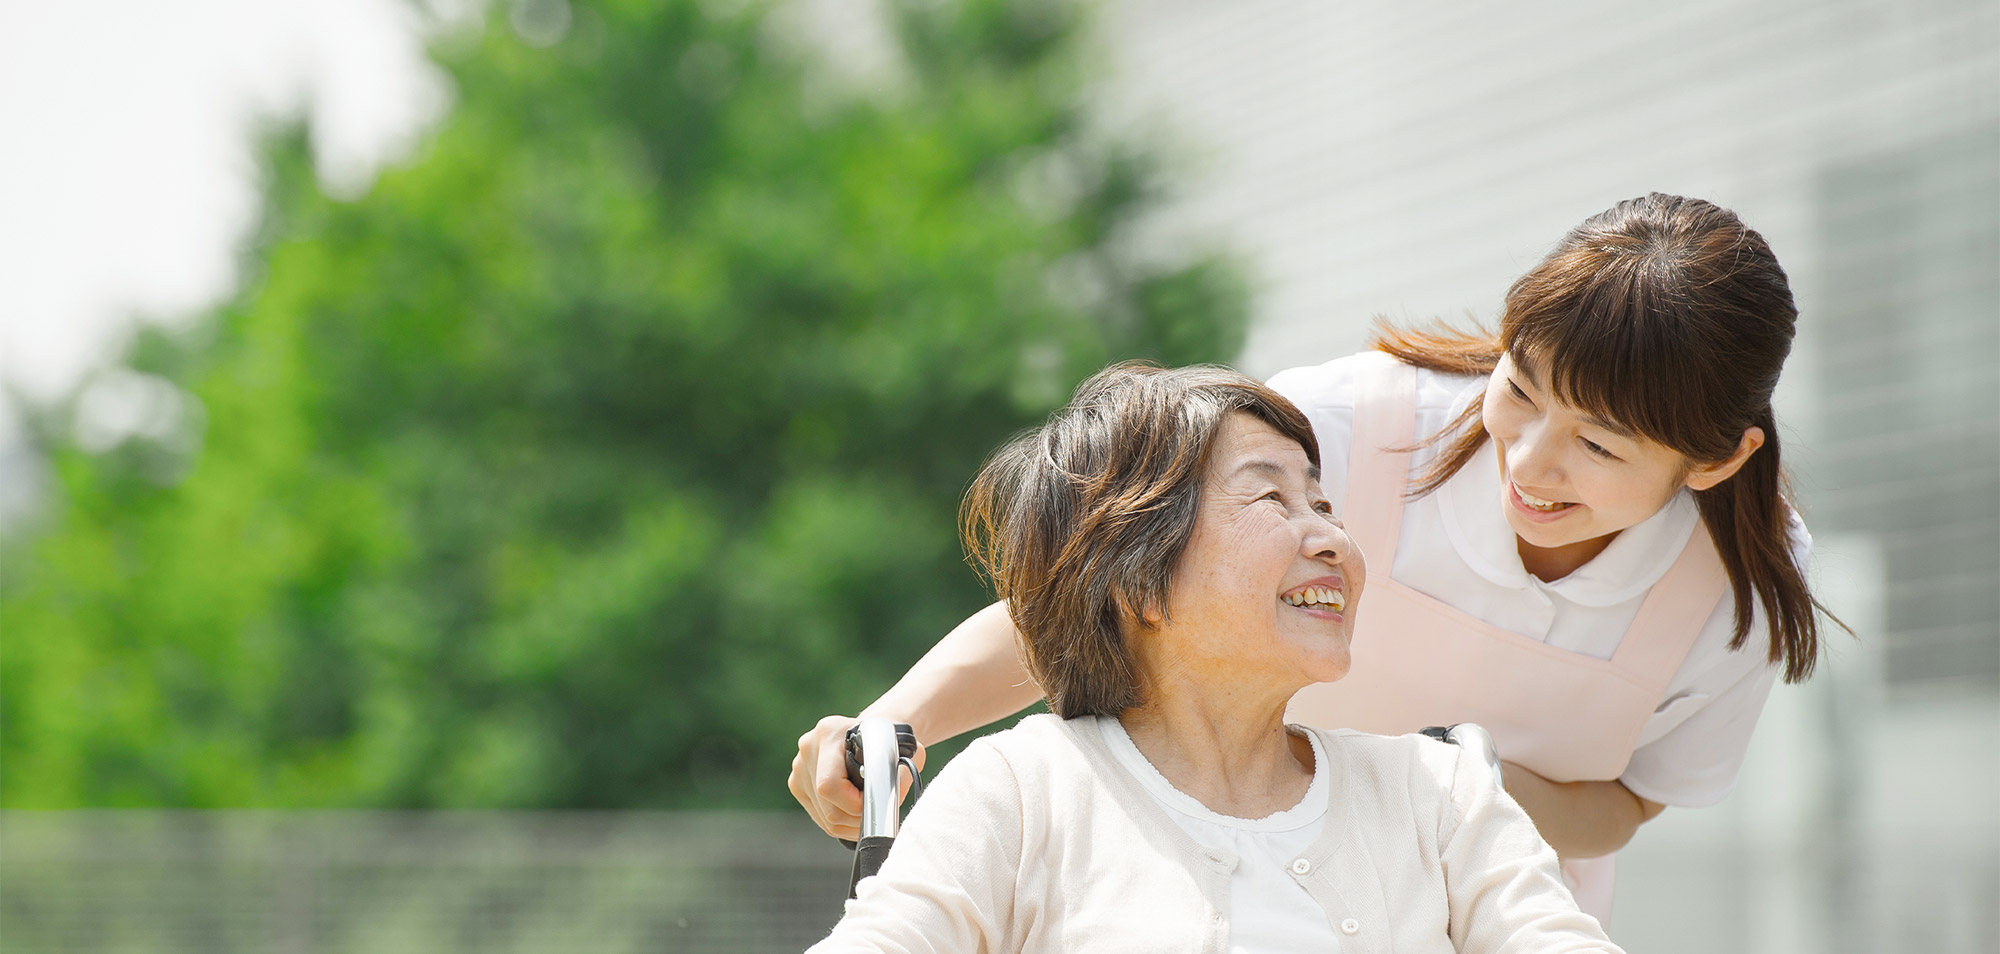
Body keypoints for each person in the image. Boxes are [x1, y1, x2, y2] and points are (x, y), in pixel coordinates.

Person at [791, 193, 1841, 923]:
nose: (1525, 461)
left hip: (1483, 920)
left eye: (1597, 447)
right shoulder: (1349, 423)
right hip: (1215, 888)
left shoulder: (1735, 593)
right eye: (1518, 388)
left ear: (1714, 459)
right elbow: (1091, 591)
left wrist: (1456, 786)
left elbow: (1629, 804)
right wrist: (895, 724)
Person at [809, 363, 1621, 953]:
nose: (1334, 539)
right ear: (1139, 578)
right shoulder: (1024, 793)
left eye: (1324, 503)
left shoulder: (1436, 795)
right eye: (1271, 497)